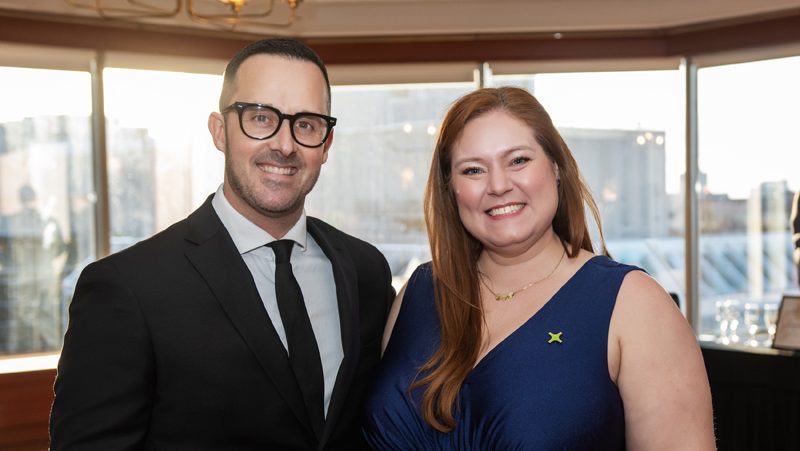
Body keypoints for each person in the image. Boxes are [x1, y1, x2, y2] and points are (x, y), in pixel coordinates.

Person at [50, 38, 395, 450]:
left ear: (326, 144)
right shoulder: (127, 288)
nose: (284, 145)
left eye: (306, 124)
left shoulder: (365, 272)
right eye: (261, 118)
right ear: (219, 131)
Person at [363, 87, 715, 450]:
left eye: (518, 160)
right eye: (473, 170)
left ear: (556, 167)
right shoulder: (419, 292)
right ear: (451, 188)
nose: (498, 185)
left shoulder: (634, 304)